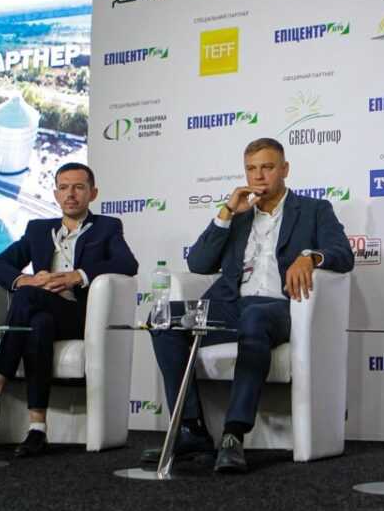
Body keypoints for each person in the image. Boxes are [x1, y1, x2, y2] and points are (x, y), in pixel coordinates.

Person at [144, 137, 353, 473]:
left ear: (285, 169)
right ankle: (191, 429)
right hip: (231, 304)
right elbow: (198, 263)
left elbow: (343, 254)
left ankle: (233, 434)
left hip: (280, 307)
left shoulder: (314, 210)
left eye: (267, 167)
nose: (258, 176)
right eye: (251, 169)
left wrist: (310, 256)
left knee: (255, 317)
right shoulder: (239, 215)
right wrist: (226, 213)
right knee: (162, 318)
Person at [0, 162, 139, 457]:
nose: (70, 194)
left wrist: (78, 276)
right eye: (64, 188)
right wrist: (25, 279)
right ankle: (37, 429)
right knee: (39, 323)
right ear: (56, 194)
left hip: (81, 316)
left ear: (93, 193)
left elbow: (128, 264)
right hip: (43, 311)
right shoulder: (38, 230)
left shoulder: (107, 227)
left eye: (78, 187)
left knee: (26, 299)